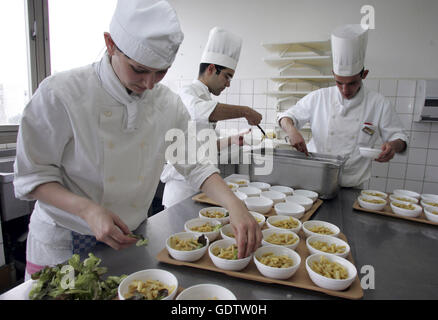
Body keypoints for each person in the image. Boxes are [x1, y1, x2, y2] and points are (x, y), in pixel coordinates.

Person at [14, 0, 261, 281]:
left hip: (130, 237)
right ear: (110, 44)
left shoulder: (168, 104)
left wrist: (235, 206)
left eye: (161, 71)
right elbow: (32, 177)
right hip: (64, 239)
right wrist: (88, 210)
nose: (149, 84)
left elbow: (196, 165)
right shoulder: (60, 94)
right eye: (139, 69)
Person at [278, 24, 409, 188]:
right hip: (314, 181)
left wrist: (392, 147)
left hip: (352, 185)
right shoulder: (320, 97)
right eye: (339, 83)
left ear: (364, 75)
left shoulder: (379, 103)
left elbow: (401, 138)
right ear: (333, 75)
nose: (345, 90)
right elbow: (286, 117)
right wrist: (292, 131)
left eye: (352, 83)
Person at [161, 27, 263, 208]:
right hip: (181, 192)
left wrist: (232, 139)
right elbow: (199, 112)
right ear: (211, 69)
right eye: (227, 76)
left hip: (202, 189)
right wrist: (246, 111)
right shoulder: (187, 93)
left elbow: (203, 144)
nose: (228, 84)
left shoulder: (205, 98)